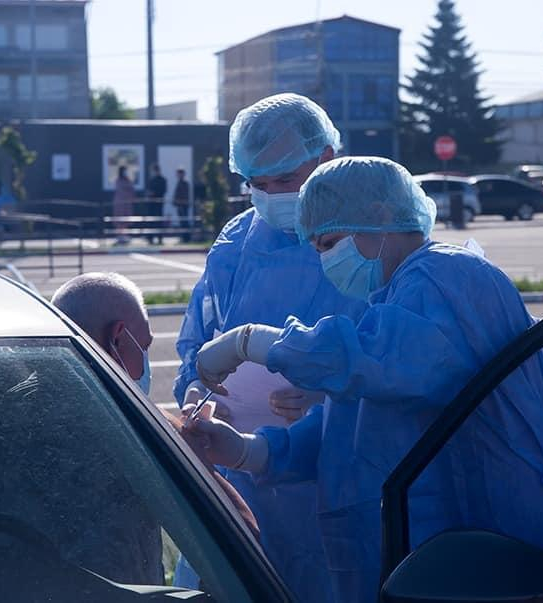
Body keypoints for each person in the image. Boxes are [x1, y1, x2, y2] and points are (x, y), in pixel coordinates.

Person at [187, 157, 543, 603]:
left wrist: (248, 342)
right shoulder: (395, 292)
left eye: (330, 243)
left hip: (489, 546)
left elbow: (368, 359)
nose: (326, 261)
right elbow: (356, 431)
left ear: (381, 216)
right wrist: (251, 450)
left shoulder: (449, 278)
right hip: (432, 554)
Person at [172, 93, 367, 602]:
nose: (271, 196)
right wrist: (195, 386)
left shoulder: (368, 238)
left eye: (285, 180)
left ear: (326, 158)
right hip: (237, 478)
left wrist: (328, 397)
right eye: (257, 184)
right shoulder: (238, 241)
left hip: (332, 486)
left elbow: (397, 362)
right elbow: (198, 336)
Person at [51, 272, 259, 583]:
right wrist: (194, 453)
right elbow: (241, 539)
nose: (146, 357)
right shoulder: (134, 428)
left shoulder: (4, 413)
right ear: (118, 339)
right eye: (144, 345)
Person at [113, 165, 136, 244]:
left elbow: (131, 190)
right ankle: (120, 236)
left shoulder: (128, 180)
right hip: (120, 203)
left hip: (126, 203)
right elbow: (122, 190)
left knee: (126, 220)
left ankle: (125, 235)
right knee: (119, 219)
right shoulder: (118, 180)